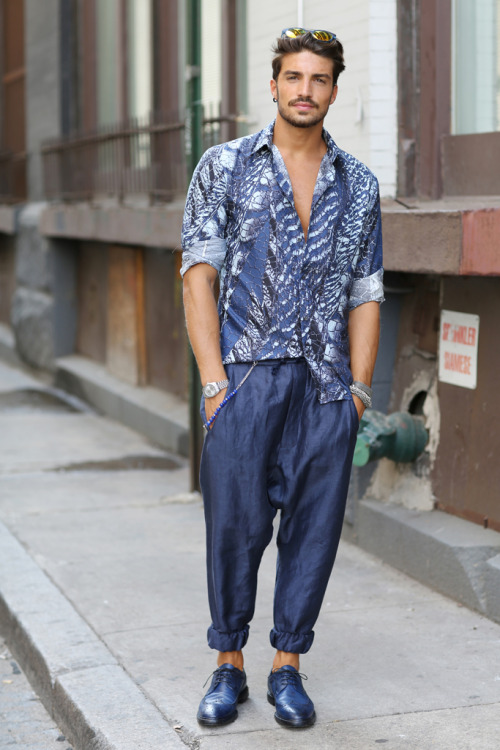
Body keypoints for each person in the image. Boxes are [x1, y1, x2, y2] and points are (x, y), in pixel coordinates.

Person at [181, 27, 383, 729]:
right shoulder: (225, 166)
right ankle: (228, 663)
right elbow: (198, 275)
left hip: (326, 387)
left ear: (333, 89)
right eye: (293, 77)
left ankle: (288, 665)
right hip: (246, 379)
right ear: (273, 85)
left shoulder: (359, 184)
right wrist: (214, 384)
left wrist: (358, 390)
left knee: (314, 531)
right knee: (233, 526)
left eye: (319, 79)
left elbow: (366, 291)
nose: (305, 90)